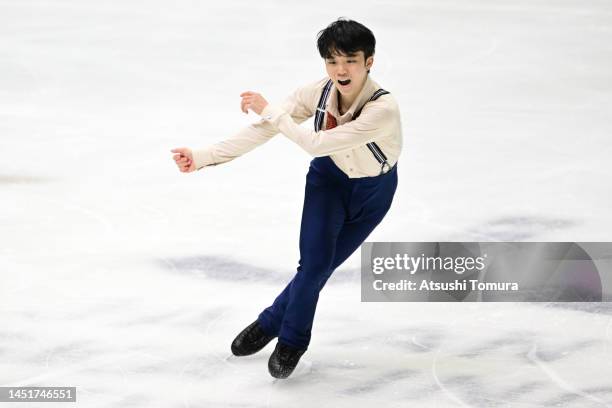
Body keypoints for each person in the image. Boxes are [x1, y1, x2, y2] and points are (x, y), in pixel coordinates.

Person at [171, 18, 402, 379]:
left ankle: (271, 319)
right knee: (312, 267)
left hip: (373, 195)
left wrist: (271, 109)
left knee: (320, 269)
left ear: (368, 61)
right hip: (328, 184)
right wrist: (204, 156)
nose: (340, 70)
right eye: (331, 61)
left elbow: (314, 142)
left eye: (350, 61)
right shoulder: (318, 92)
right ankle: (292, 341)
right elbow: (265, 129)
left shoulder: (382, 109)